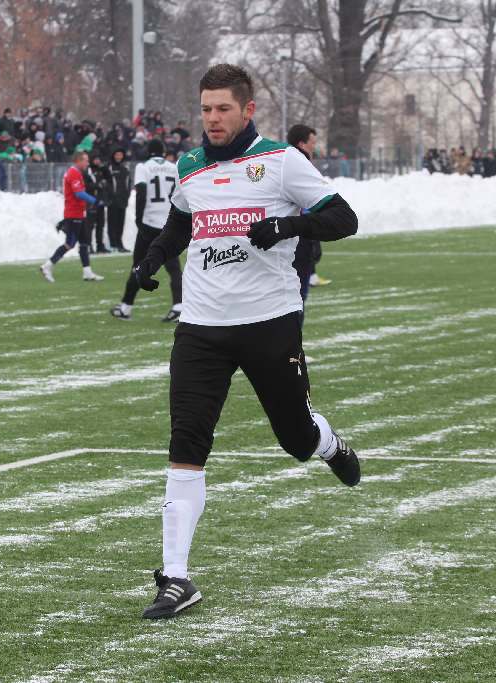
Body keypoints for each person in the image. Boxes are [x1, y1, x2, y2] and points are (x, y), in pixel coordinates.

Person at [131, 63, 361, 619]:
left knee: (295, 438)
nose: (212, 119)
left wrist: (288, 226)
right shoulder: (189, 167)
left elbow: (344, 218)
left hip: (269, 323)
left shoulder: (281, 161)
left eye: (223, 109)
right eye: (206, 109)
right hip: (201, 330)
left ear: (247, 110)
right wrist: (154, 259)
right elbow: (181, 223)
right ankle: (177, 578)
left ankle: (329, 445)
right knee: (186, 443)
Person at [110, 139, 183, 322]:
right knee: (174, 268)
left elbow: (141, 192)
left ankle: (126, 308)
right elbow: (178, 194)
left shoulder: (143, 167)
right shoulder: (173, 167)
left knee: (138, 265)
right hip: (168, 224)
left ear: (148, 151)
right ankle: (178, 306)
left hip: (149, 223)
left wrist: (138, 219)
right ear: (163, 151)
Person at [39, 151, 105, 282]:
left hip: (79, 213)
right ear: (78, 161)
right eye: (85, 160)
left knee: (85, 243)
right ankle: (47, 266)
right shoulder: (73, 173)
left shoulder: (76, 173)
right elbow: (79, 193)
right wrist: (95, 201)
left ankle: (87, 272)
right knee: (70, 243)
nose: (87, 163)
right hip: (73, 213)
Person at [287, 124, 332, 306]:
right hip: (297, 239)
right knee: (297, 298)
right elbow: (308, 205)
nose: (315, 147)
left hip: (295, 236)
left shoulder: (288, 163)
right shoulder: (298, 166)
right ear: (302, 144)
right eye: (312, 143)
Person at [106, 149, 132, 252]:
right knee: (112, 223)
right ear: (113, 155)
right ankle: (113, 245)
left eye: (120, 154)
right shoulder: (109, 168)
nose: (118, 157)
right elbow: (107, 184)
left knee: (120, 224)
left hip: (122, 201)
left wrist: (127, 196)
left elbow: (128, 184)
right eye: (117, 154)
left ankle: (119, 243)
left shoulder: (125, 168)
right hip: (112, 202)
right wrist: (109, 197)